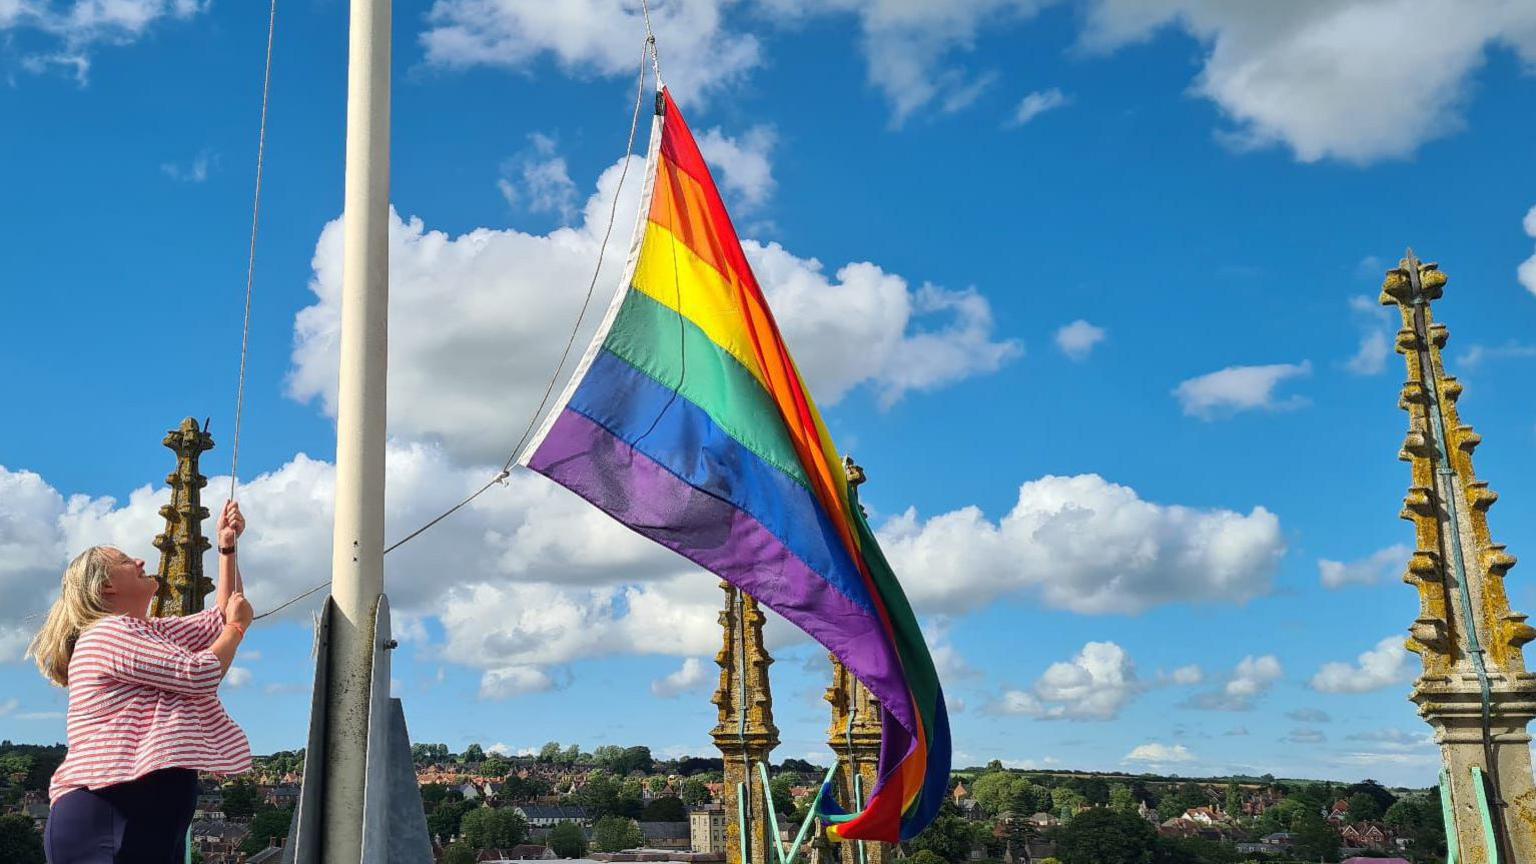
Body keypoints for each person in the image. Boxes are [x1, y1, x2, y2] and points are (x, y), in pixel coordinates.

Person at [28, 500, 255, 863]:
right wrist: (236, 629)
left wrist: (227, 546)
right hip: (110, 816)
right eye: (124, 561)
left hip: (135, 818)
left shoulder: (145, 633)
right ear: (106, 588)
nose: (139, 561)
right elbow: (199, 673)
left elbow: (220, 613)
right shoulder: (108, 633)